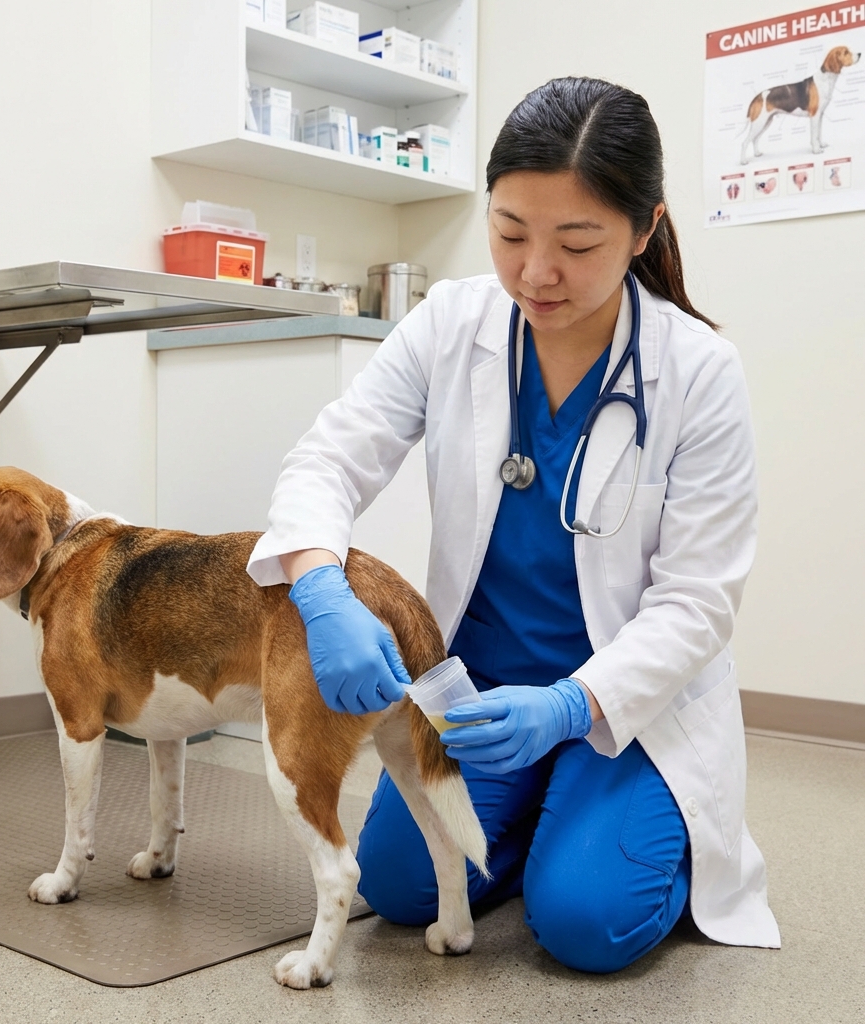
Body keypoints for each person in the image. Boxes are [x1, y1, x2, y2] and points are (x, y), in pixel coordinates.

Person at [246, 77, 780, 973]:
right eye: (509, 233)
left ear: (644, 230)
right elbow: (328, 460)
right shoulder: (451, 325)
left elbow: (697, 601)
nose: (536, 271)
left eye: (577, 242)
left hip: (623, 703)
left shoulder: (699, 372)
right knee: (399, 886)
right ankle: (542, 804)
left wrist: (573, 706)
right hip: (481, 695)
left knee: (584, 923)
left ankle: (615, 818)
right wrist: (318, 584)